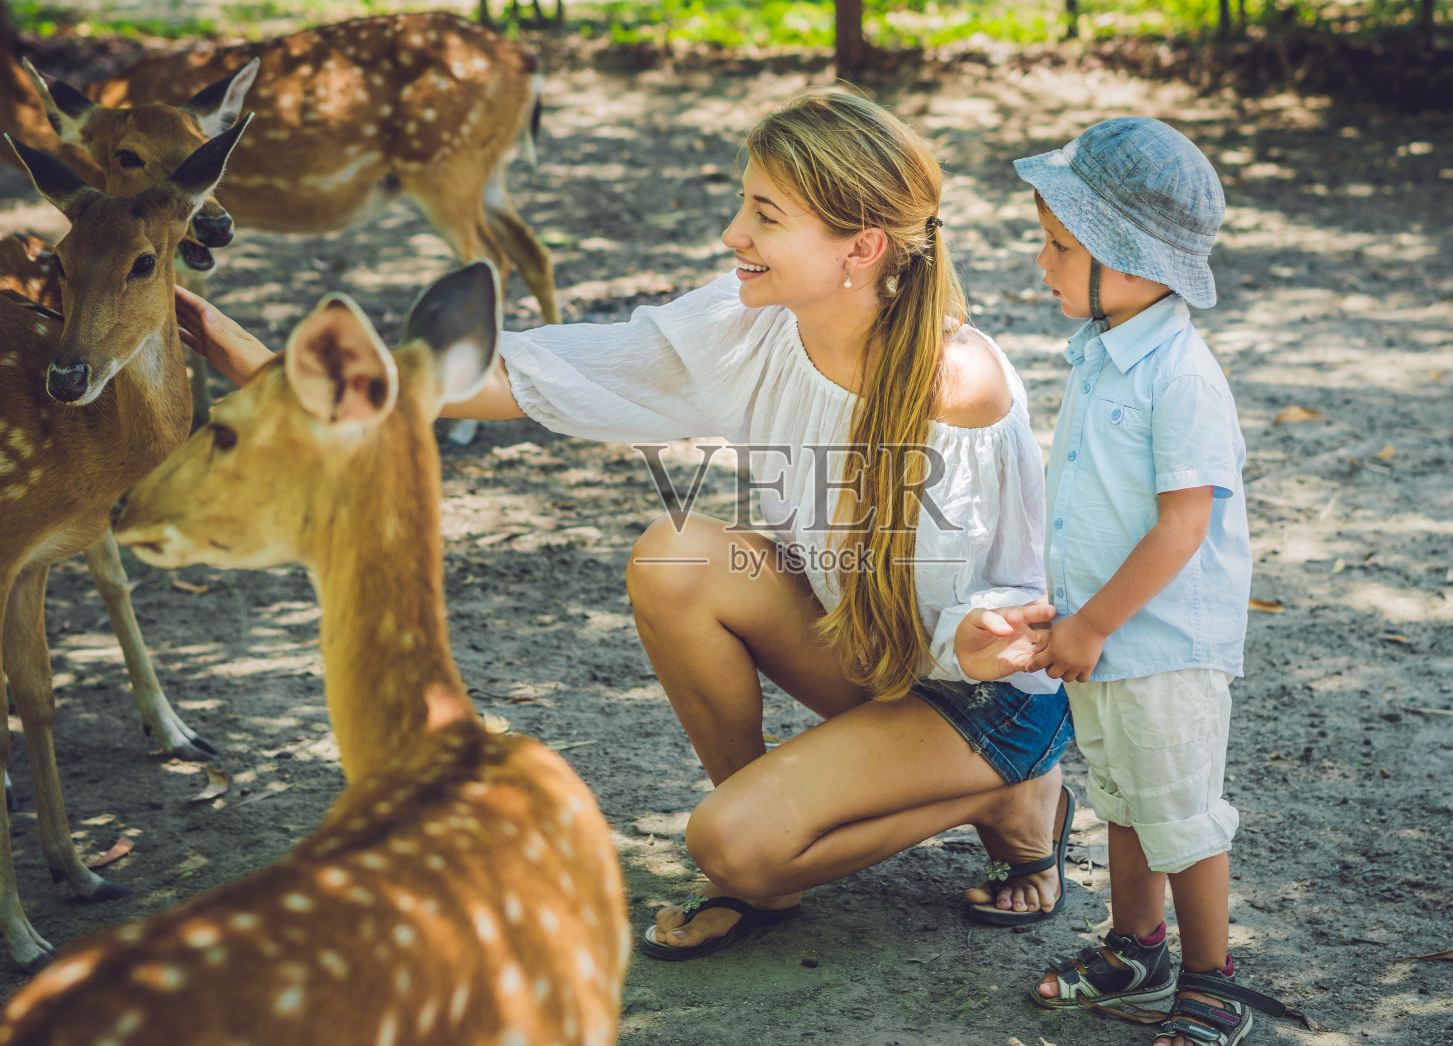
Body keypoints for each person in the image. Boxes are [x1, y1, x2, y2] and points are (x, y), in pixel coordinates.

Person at [175, 90, 1079, 959]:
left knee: (726, 842)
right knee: (673, 557)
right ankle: (773, 850)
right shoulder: (753, 326)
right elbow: (540, 373)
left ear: (862, 246)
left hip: (980, 692)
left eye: (765, 215)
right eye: (743, 205)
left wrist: (981, 634)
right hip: (878, 652)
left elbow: (996, 607)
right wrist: (296, 381)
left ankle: (1009, 795)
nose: (733, 233)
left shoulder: (957, 386)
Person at [956, 118, 1298, 1046]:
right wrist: (1076, 619)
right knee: (1125, 798)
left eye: (1060, 246)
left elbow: (1182, 526)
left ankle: (1213, 983)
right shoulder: (1104, 352)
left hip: (1160, 644)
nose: (1042, 262)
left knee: (1181, 814)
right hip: (1104, 636)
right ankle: (1137, 946)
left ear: (1133, 259)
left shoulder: (1181, 377)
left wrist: (1094, 623)